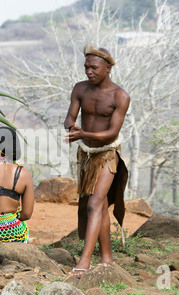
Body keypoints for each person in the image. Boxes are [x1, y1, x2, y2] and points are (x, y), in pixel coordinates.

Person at [63, 45, 130, 276]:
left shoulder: (120, 96)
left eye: (94, 67)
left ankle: (84, 261)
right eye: (86, 67)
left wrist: (84, 135)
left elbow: (112, 132)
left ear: (108, 68)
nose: (88, 71)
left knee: (94, 203)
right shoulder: (80, 89)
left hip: (107, 154)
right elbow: (70, 117)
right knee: (99, 205)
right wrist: (72, 129)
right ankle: (107, 258)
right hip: (86, 155)